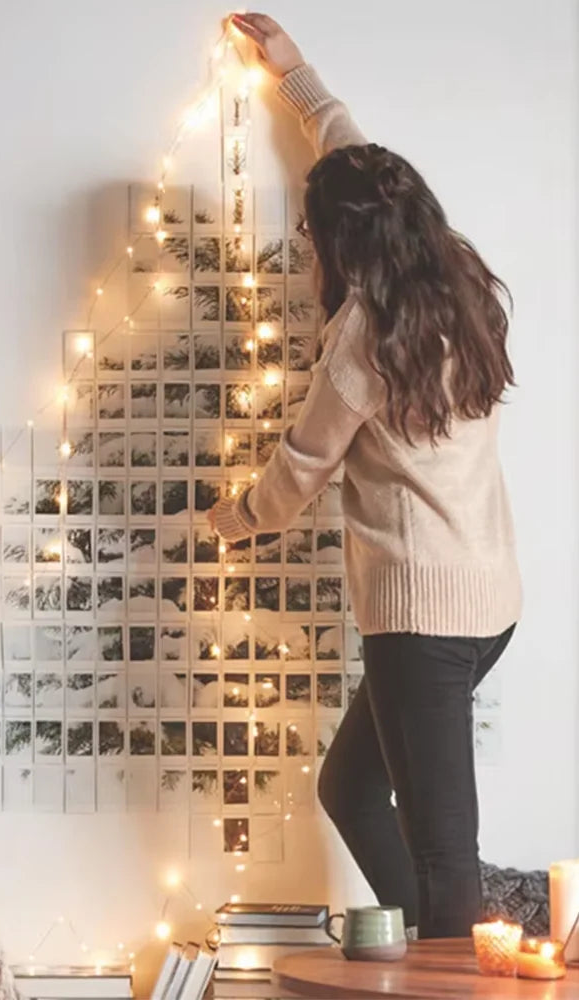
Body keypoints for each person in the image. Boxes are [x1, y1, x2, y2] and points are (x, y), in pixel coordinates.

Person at [209, 12, 522, 939]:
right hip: (489, 605)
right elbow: (360, 161)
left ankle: (452, 971)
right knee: (349, 786)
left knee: (443, 851)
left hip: (422, 618)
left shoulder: (363, 338)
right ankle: (433, 944)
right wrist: (296, 74)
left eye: (315, 236)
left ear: (349, 247)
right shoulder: (455, 274)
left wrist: (235, 518)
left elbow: (304, 462)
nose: (311, 249)